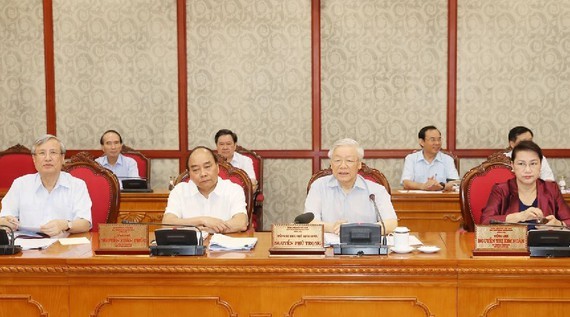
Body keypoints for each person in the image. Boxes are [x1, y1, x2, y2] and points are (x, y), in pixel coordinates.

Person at [0, 135, 92, 236]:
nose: (48, 158)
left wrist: (65, 225)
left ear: (62, 158)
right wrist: (6, 222)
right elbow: (4, 217)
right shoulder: (20, 184)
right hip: (27, 246)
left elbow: (85, 223)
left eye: (53, 152)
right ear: (34, 159)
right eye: (42, 153)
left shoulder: (77, 185)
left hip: (64, 245)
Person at [304, 138, 398, 234]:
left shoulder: (376, 190)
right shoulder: (318, 186)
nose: (343, 166)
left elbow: (391, 223)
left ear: (359, 165)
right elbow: (309, 220)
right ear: (331, 164)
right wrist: (332, 227)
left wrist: (360, 231)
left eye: (349, 160)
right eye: (337, 160)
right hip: (329, 247)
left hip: (365, 246)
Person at [481, 141, 570, 227]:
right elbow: (485, 222)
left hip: (545, 241)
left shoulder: (551, 188)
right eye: (521, 164)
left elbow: (568, 220)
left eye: (533, 163)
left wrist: (559, 224)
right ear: (512, 165)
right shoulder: (501, 190)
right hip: (512, 241)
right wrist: (520, 216)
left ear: (540, 165)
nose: (528, 170)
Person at [162, 146, 248, 233]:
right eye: (196, 170)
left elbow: (241, 222)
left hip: (225, 245)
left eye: (207, 167)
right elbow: (167, 223)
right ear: (189, 174)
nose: (203, 174)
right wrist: (202, 220)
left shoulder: (234, 189)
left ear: (217, 167)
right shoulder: (179, 191)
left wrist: (211, 230)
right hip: (191, 246)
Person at [400, 125, 459, 191]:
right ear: (422, 142)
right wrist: (423, 186)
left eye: (439, 139)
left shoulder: (447, 159)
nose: (437, 143)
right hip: (417, 199)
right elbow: (406, 183)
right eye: (432, 140)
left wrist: (441, 186)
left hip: (441, 199)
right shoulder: (411, 158)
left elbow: (455, 183)